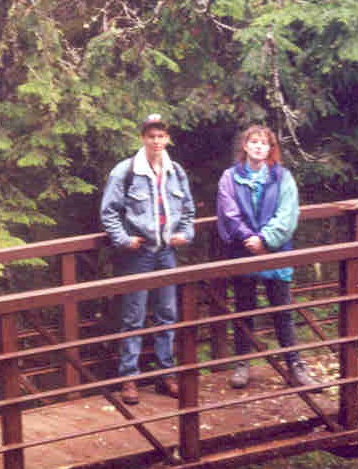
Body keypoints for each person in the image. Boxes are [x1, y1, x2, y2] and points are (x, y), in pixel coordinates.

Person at [100, 114, 196, 404]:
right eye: (151, 136)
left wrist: (186, 233)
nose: (156, 141)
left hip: (166, 252)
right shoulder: (125, 171)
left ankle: (166, 375)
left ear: (167, 138)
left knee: (168, 314)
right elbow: (109, 212)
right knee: (134, 317)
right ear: (142, 137)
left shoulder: (175, 171)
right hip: (138, 254)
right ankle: (129, 379)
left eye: (161, 136)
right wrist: (123, 240)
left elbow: (189, 212)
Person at [216, 124, 318, 390]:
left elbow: (288, 214)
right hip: (243, 251)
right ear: (245, 146)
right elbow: (228, 213)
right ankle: (242, 364)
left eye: (264, 143)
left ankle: (295, 365)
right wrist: (248, 238)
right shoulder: (230, 177)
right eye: (254, 142)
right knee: (243, 308)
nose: (259, 146)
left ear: (270, 149)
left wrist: (264, 239)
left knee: (282, 310)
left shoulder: (282, 177)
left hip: (275, 251)